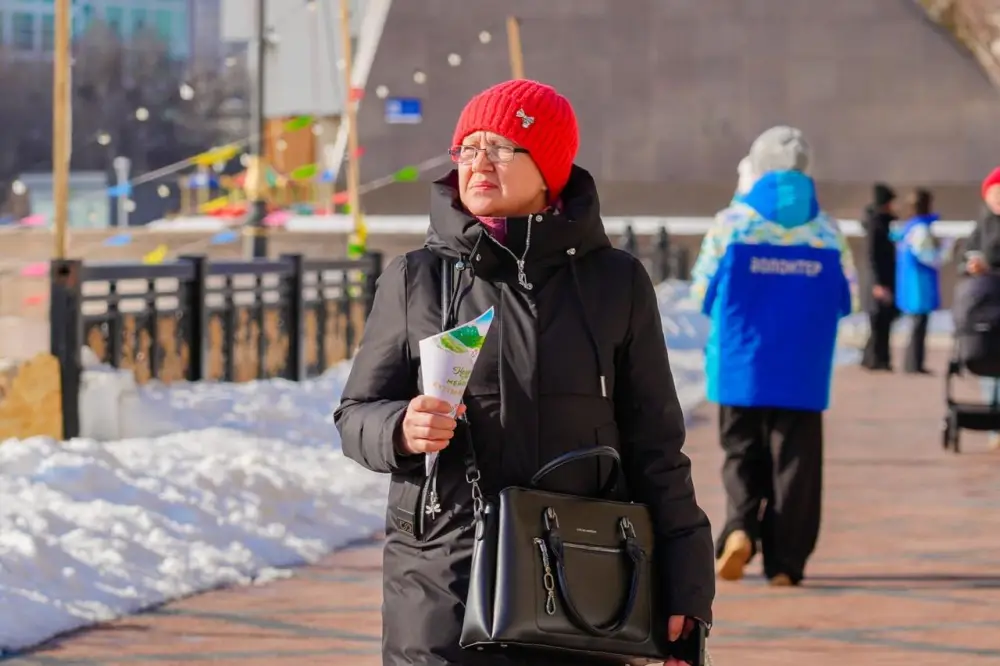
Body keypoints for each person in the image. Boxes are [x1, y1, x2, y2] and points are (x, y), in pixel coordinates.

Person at [334, 79, 715, 666]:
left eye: (503, 148)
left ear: (551, 169)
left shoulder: (616, 283)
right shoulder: (417, 279)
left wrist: (686, 588)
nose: (478, 163)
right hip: (443, 575)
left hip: (579, 575)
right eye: (468, 148)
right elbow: (355, 414)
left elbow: (657, 447)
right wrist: (400, 429)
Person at [690, 126, 857, 587]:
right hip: (803, 367)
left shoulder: (734, 222)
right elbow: (850, 300)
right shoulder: (827, 229)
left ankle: (741, 527)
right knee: (796, 461)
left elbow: (702, 291)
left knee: (740, 451)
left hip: (740, 362)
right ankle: (787, 561)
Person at [964, 167, 1000, 449]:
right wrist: (974, 265)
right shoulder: (982, 226)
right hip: (987, 309)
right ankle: (994, 427)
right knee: (989, 364)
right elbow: (968, 252)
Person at [893, 188, 941, 374]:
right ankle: (914, 364)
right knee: (919, 326)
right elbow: (927, 255)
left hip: (911, 283)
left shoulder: (909, 228)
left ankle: (912, 363)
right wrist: (943, 251)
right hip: (919, 284)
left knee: (915, 325)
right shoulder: (921, 229)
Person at [861, 183, 899, 371]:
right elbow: (873, 256)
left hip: (886, 279)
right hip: (880, 280)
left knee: (884, 320)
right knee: (878, 321)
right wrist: (878, 283)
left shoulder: (884, 223)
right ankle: (875, 359)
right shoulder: (876, 225)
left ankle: (878, 358)